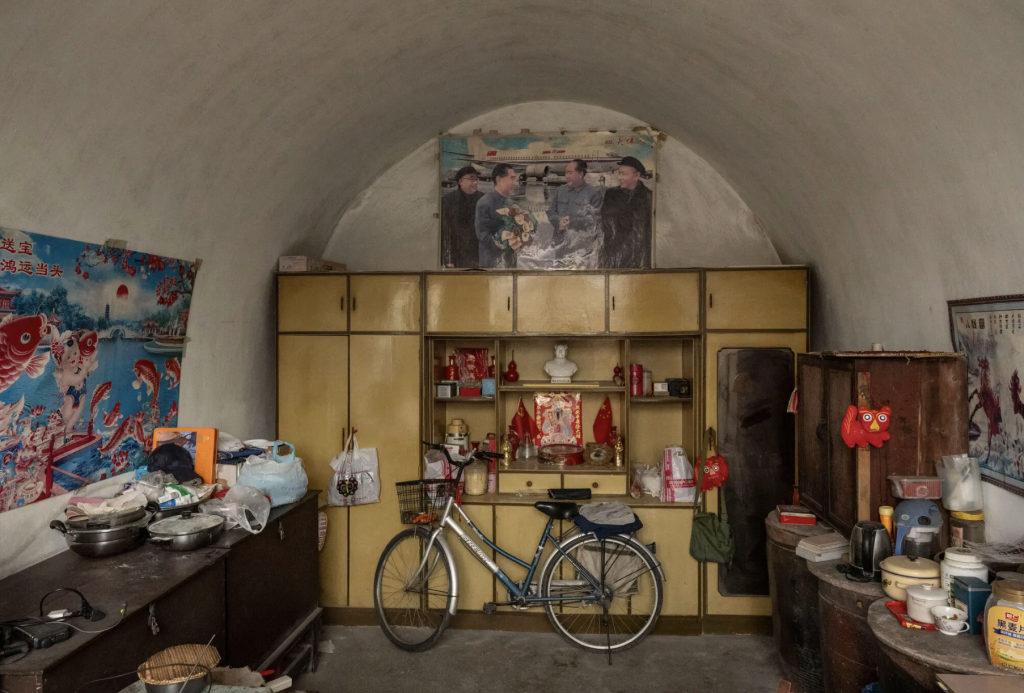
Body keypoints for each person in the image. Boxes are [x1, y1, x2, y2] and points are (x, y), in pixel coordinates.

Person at [546, 159, 603, 267]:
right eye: (566, 173)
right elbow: (551, 211)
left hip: (581, 248)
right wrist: (558, 221)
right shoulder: (560, 190)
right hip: (560, 245)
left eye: (570, 173)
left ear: (580, 174)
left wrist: (572, 222)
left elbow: (595, 221)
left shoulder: (593, 194)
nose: (567, 176)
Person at [600, 156, 653, 268]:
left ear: (636, 176)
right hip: (614, 255)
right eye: (619, 173)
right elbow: (605, 224)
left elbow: (649, 231)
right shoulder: (611, 194)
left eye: (623, 174)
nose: (619, 177)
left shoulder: (649, 197)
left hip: (638, 258)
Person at [475, 162, 519, 268]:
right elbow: (482, 234)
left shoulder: (511, 203)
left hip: (510, 262)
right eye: (512, 178)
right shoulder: (485, 203)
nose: (515, 183)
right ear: (499, 179)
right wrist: (501, 245)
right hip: (492, 263)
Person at [441, 166, 484, 267]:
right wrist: (448, 258)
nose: (475, 182)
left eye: (476, 179)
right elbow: (445, 231)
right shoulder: (448, 201)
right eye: (471, 179)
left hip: (479, 254)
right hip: (457, 255)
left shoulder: (483, 199)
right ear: (460, 181)